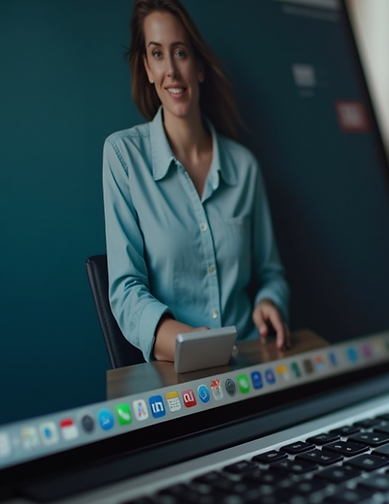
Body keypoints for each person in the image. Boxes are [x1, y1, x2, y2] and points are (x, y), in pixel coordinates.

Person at [103, 0, 290, 363]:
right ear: (147, 67)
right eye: (157, 54)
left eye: (180, 53)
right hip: (179, 381)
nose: (171, 70)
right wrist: (189, 343)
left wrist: (270, 302)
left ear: (199, 66)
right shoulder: (123, 156)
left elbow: (271, 273)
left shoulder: (245, 166)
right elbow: (125, 291)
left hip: (252, 363)